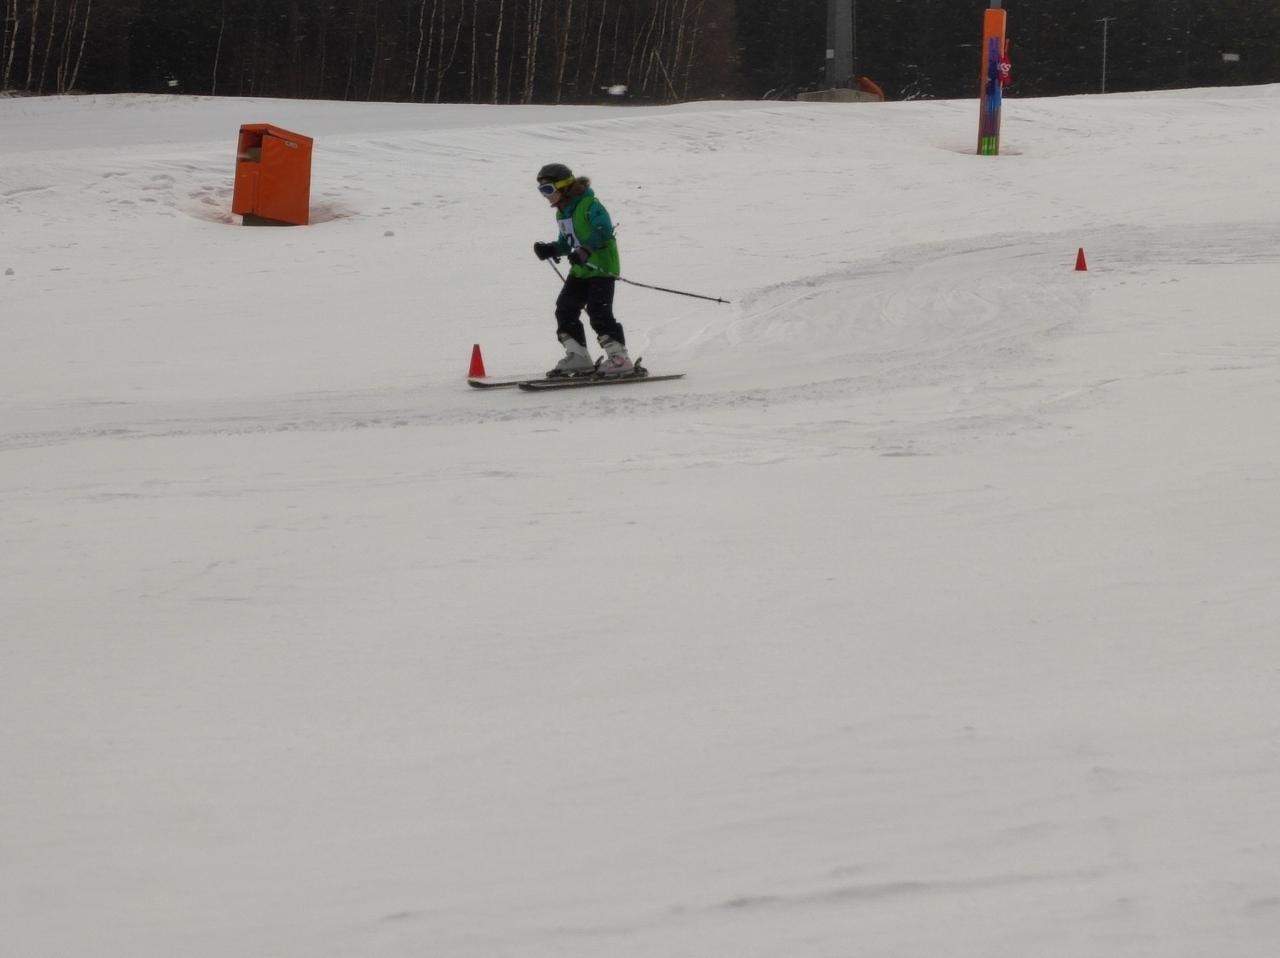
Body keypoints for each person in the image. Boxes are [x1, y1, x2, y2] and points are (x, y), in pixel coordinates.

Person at [532, 163, 632, 377]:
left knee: (598, 311)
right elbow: (566, 243)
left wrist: (586, 249)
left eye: (548, 189)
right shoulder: (562, 213)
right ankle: (578, 356)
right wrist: (551, 249)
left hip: (601, 268)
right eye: (541, 191)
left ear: (564, 186)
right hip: (580, 269)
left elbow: (603, 230)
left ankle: (619, 358)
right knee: (565, 308)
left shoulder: (590, 205)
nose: (545, 196)